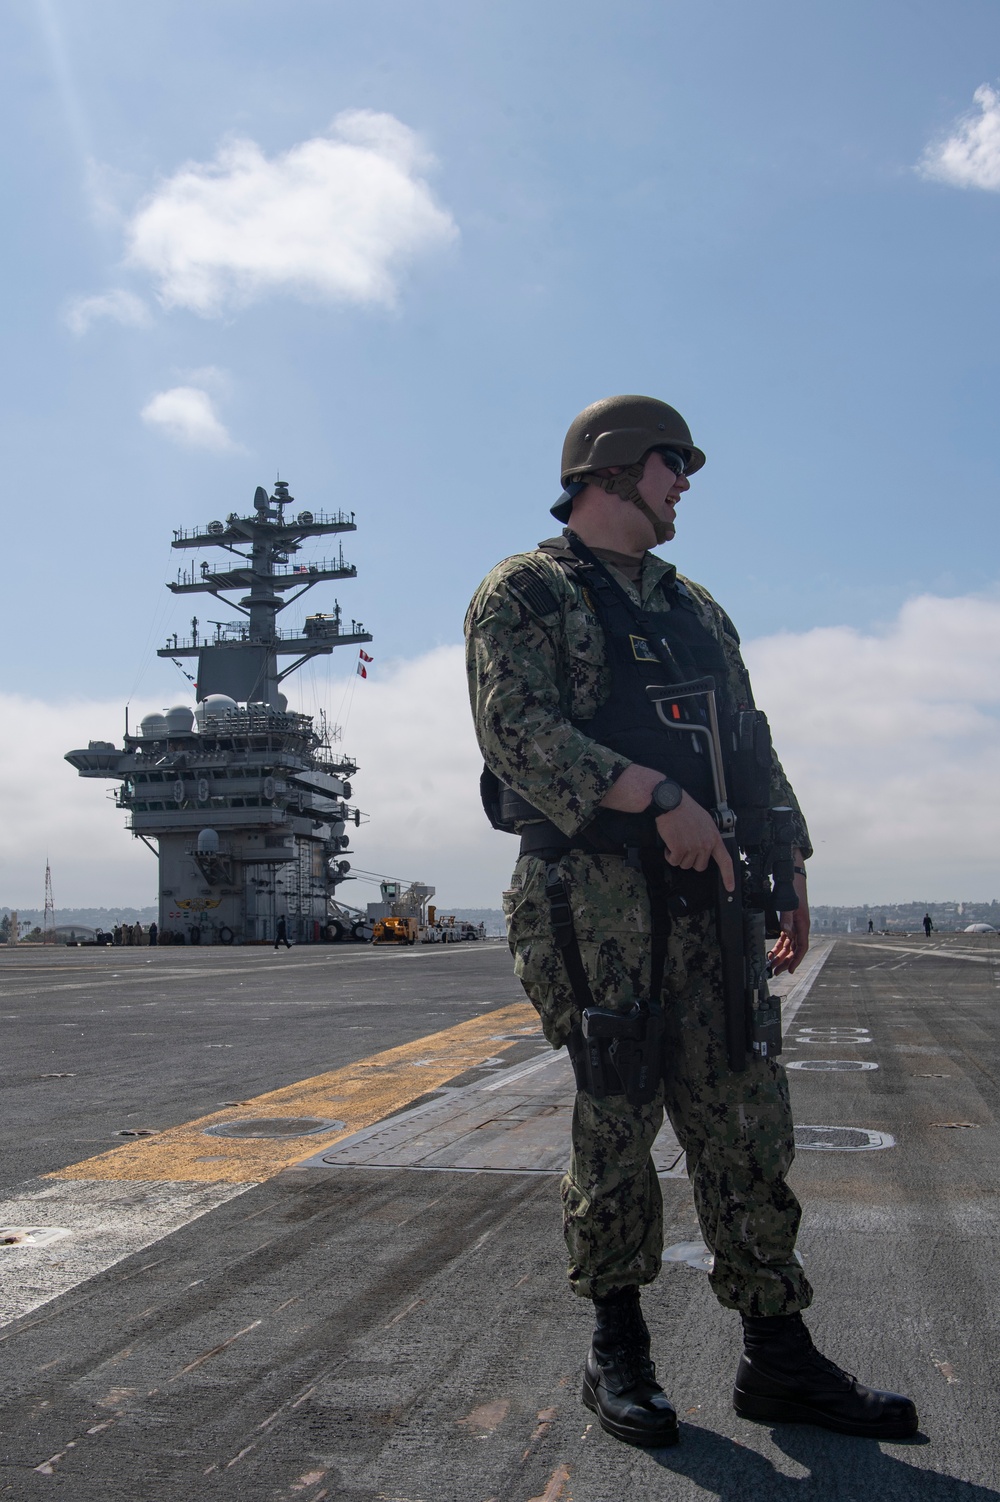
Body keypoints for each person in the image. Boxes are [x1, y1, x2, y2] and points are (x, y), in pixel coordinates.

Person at [465, 395, 917, 1449]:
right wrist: (657, 799)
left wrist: (789, 856)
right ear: (615, 467)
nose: (684, 485)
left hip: (708, 903)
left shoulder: (696, 609)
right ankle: (617, 1350)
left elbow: (748, 738)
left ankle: (778, 1354)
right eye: (674, 464)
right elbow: (515, 733)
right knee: (615, 1121)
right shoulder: (524, 593)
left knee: (744, 1120)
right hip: (594, 902)